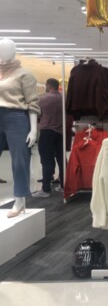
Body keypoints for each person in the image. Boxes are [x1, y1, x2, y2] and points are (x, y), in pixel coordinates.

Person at [0, 38, 40, 218]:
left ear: (14, 51)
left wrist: (33, 129)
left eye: (7, 49)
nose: (3, 52)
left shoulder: (24, 74)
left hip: (16, 116)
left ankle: (19, 199)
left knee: (19, 160)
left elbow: (32, 103)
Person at [33, 78, 65, 197]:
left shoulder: (43, 99)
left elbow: (37, 113)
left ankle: (46, 189)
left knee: (47, 160)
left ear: (49, 85)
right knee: (62, 160)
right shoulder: (63, 98)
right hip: (60, 132)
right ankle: (63, 185)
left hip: (47, 131)